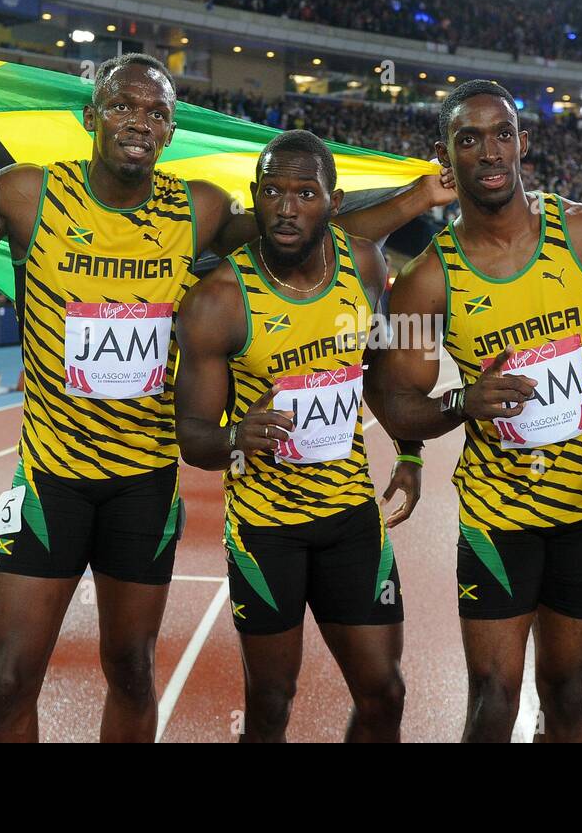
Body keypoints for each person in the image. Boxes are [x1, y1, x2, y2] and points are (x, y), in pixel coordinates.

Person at [0, 46, 453, 743]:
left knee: (132, 667)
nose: (138, 120)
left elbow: (300, 237)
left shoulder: (198, 209)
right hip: (51, 480)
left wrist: (419, 198)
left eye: (156, 111)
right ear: (90, 115)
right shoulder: (28, 194)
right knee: (8, 677)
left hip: (144, 485)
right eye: (122, 103)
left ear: (172, 131)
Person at [371, 80, 582, 742]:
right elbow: (396, 400)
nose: (488, 150)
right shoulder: (428, 278)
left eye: (501, 133)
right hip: (496, 516)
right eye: (468, 138)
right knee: (493, 701)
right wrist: (461, 402)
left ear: (523, 143)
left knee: (566, 697)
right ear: (446, 157)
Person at [177, 131, 422, 742]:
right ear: (255, 199)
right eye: (272, 192)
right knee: (270, 701)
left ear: (333, 202)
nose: (286, 208)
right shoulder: (219, 301)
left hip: (350, 521)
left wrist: (411, 450)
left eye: (304, 193)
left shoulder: (363, 265)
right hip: (267, 531)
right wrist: (236, 435)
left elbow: (379, 375)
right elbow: (192, 436)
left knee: (384, 693)